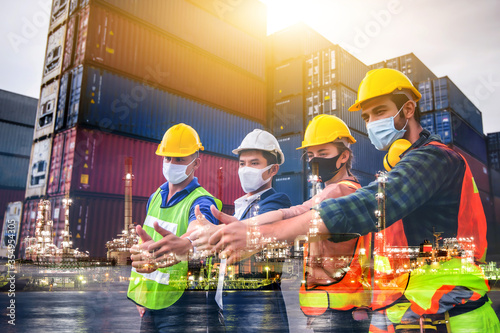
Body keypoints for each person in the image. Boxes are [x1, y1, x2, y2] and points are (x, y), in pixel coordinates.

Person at [210, 69, 500, 332]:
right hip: (407, 317)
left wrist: (262, 236)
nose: (373, 123)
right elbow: (293, 212)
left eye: (380, 112)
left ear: (408, 109)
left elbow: (369, 205)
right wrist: (238, 228)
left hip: (455, 319)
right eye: (367, 117)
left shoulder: (435, 159)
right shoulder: (396, 170)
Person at [213, 116, 371, 332]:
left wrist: (246, 227)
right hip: (334, 305)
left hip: (339, 308)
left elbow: (291, 214)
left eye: (323, 154)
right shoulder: (344, 190)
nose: (315, 161)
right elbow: (291, 213)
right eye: (312, 155)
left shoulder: (339, 191)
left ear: (343, 156)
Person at [189, 129, 292, 332]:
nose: (246, 169)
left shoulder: (276, 202)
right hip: (222, 311)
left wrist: (215, 233)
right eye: (242, 164)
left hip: (256, 314)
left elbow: (250, 233)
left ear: (273, 170)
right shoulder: (241, 206)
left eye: (254, 163)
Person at [127, 123, 222, 333]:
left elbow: (199, 228)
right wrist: (141, 295)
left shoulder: (203, 201)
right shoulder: (154, 197)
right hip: (151, 302)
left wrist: (186, 242)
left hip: (183, 304)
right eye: (168, 158)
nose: (172, 163)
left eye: (180, 159)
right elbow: (147, 246)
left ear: (196, 163)